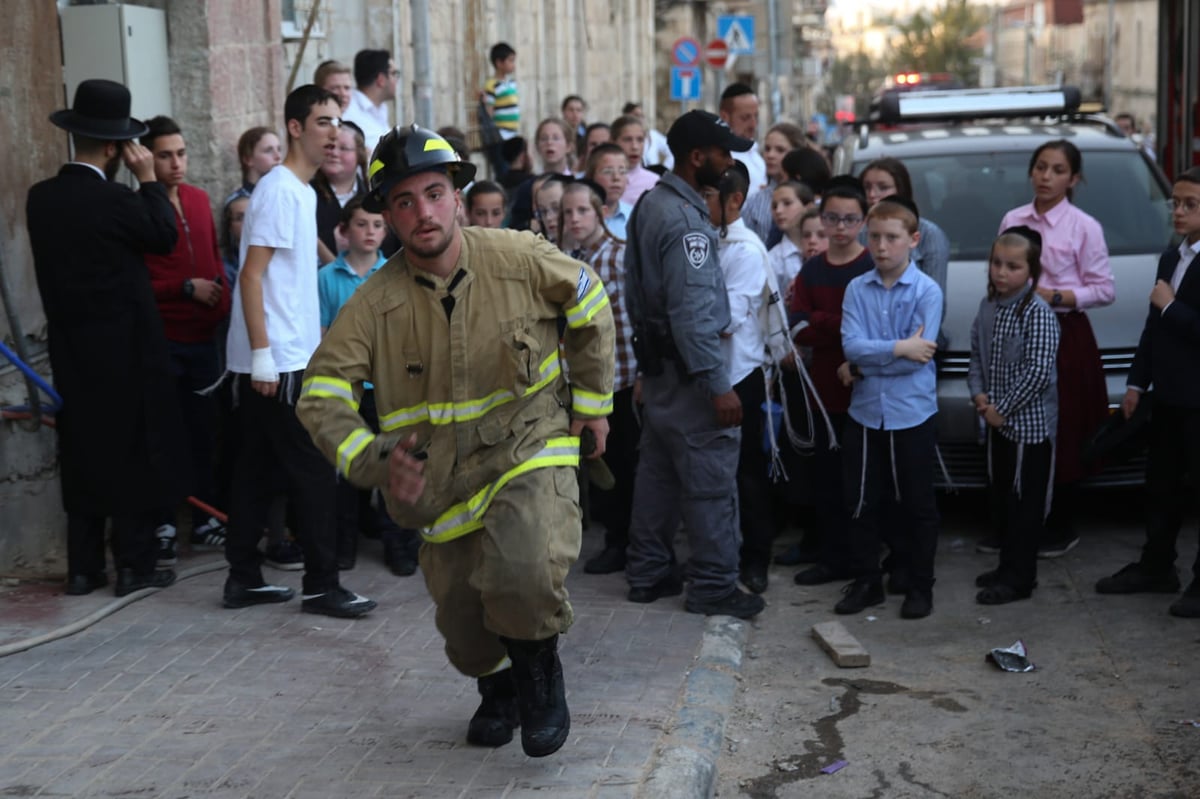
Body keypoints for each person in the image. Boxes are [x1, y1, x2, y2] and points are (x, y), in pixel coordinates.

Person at [295, 124, 615, 757]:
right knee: (465, 625)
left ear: (458, 197)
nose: (423, 212)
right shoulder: (373, 304)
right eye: (405, 201)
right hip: (438, 482)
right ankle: (496, 689)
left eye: (435, 193)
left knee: (525, 572)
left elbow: (586, 300)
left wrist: (593, 403)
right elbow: (321, 391)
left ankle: (540, 678)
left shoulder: (519, 257)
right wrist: (374, 460)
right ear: (386, 215)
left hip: (530, 444)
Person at [220, 84, 376, 618]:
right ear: (295, 128)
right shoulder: (280, 190)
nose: (334, 133)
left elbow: (299, 260)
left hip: (285, 353)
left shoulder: (299, 192)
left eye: (338, 122)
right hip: (280, 359)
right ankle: (322, 585)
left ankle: (242, 577)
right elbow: (252, 275)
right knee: (313, 471)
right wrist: (263, 357)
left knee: (256, 471)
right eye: (322, 122)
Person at [27, 79, 182, 596]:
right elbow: (164, 235)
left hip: (72, 349)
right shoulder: (117, 199)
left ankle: (83, 568)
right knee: (133, 456)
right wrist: (150, 182)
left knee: (83, 454)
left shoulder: (41, 199)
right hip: (128, 352)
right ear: (116, 148)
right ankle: (134, 566)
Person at [622, 109, 764, 620]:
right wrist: (717, 385)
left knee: (657, 475)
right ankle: (712, 586)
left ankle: (649, 573)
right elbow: (694, 314)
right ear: (696, 157)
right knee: (709, 484)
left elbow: (633, 291)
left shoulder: (650, 204)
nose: (729, 164)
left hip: (660, 370)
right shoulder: (688, 224)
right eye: (723, 154)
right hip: (689, 377)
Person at [998, 140, 1114, 558]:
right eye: (1041, 167)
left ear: (1073, 179)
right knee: (1014, 419)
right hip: (1016, 329)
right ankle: (1016, 518)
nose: (1046, 177)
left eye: (1058, 170)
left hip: (1065, 334)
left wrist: (1055, 296)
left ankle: (1060, 523)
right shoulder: (1014, 218)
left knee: (1062, 427)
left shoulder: (1084, 226)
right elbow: (1001, 268)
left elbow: (1104, 290)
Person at [1095, 166, 1200, 618]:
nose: (1177, 211)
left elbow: (1174, 317)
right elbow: (1152, 328)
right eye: (1174, 202)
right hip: (1169, 396)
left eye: (1189, 204)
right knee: (1160, 487)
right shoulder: (1170, 257)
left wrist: (1171, 306)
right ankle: (1157, 566)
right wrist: (1137, 381)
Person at [836, 197, 943, 620]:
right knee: (861, 499)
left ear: (913, 240)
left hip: (911, 412)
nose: (881, 246)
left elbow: (922, 355)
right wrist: (898, 347)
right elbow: (851, 347)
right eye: (875, 237)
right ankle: (867, 582)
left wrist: (864, 364)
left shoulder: (926, 291)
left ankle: (920, 584)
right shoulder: (856, 289)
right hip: (865, 413)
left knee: (916, 503)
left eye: (892, 238)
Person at [139, 115, 232, 564]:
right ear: (144, 158)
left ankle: (206, 520)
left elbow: (214, 260)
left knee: (204, 432)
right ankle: (163, 523)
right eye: (164, 155)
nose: (176, 163)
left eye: (181, 153)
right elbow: (136, 283)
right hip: (163, 339)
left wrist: (221, 301)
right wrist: (183, 288)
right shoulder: (139, 208)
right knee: (164, 434)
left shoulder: (198, 199)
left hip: (203, 339)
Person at [317, 198, 421, 577]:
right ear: (345, 230)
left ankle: (400, 545)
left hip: (388, 389)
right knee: (344, 466)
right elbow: (323, 333)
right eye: (362, 224)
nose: (371, 232)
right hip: (348, 389)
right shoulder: (326, 278)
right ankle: (343, 544)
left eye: (378, 225)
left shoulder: (396, 276)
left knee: (395, 462)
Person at [789, 180, 874, 587]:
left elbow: (872, 329)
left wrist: (827, 324)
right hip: (820, 392)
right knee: (825, 480)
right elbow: (798, 327)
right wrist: (838, 326)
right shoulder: (813, 269)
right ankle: (831, 558)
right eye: (832, 218)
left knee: (861, 483)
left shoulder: (872, 267)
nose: (840, 227)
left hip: (866, 391)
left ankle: (865, 563)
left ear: (863, 220)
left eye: (850, 219)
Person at [968, 227, 1060, 605]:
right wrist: (979, 393)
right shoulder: (988, 306)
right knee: (1004, 499)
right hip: (996, 423)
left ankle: (1020, 578)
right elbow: (976, 353)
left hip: (1027, 429)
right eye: (996, 264)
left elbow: (1039, 371)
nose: (1001, 273)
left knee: (1025, 505)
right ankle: (1008, 566)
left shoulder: (1037, 313)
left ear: (1032, 272)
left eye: (1013, 266)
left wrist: (1001, 410)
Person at [557, 181, 638, 575]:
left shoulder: (618, 257)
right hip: (590, 384)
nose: (574, 219)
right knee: (599, 460)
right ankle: (614, 539)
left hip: (621, 378)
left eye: (582, 211)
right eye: (567, 212)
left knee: (625, 465)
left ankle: (626, 543)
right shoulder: (569, 259)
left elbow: (632, 316)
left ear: (601, 213)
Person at [703, 162, 777, 594]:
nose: (702, 204)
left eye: (709, 196)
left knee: (747, 474)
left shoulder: (746, 250)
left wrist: (689, 311)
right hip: (711, 373)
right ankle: (720, 555)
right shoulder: (710, 239)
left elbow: (727, 319)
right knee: (715, 475)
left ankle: (755, 559)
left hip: (739, 374)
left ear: (733, 201)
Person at [859, 157, 949, 301]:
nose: (872, 195)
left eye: (883, 187)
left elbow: (935, 302)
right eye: (867, 187)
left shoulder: (930, 234)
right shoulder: (860, 233)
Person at [313, 119, 367, 263]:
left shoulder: (373, 197)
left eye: (343, 148)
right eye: (330, 147)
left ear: (359, 155)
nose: (334, 153)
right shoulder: (307, 194)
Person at [742, 122, 806, 242]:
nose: (770, 155)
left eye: (780, 150)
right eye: (767, 149)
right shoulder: (755, 201)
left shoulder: (810, 196)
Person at [766, 179, 815, 295]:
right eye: (774, 206)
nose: (778, 211)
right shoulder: (773, 258)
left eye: (787, 203)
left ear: (808, 207)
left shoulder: (827, 246)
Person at [719, 83, 765, 198]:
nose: (753, 124)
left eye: (756, 116)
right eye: (745, 118)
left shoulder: (756, 154)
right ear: (725, 117)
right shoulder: (721, 157)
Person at [344, 49, 396, 149]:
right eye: (394, 74)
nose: (396, 80)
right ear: (381, 79)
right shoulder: (348, 110)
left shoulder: (381, 108)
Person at [585, 142, 632, 240]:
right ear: (591, 177)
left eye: (622, 171)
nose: (616, 178)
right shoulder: (580, 216)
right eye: (608, 172)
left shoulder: (634, 216)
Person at [226, 126, 282, 204]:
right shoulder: (240, 203)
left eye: (279, 149)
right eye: (268, 151)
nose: (278, 156)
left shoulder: (283, 192)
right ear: (248, 159)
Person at [612, 115, 656, 205]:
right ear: (613, 142)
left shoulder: (653, 182)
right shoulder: (599, 177)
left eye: (640, 140)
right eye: (627, 140)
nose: (635, 147)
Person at [482, 42, 519, 140]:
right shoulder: (492, 85)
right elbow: (490, 110)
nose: (513, 65)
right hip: (501, 133)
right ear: (499, 63)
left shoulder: (512, 83)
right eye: (510, 61)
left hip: (513, 131)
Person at [623, 101, 672, 170]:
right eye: (636, 115)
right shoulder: (621, 137)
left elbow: (671, 150)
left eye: (642, 116)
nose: (640, 118)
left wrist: (664, 169)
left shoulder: (653, 135)